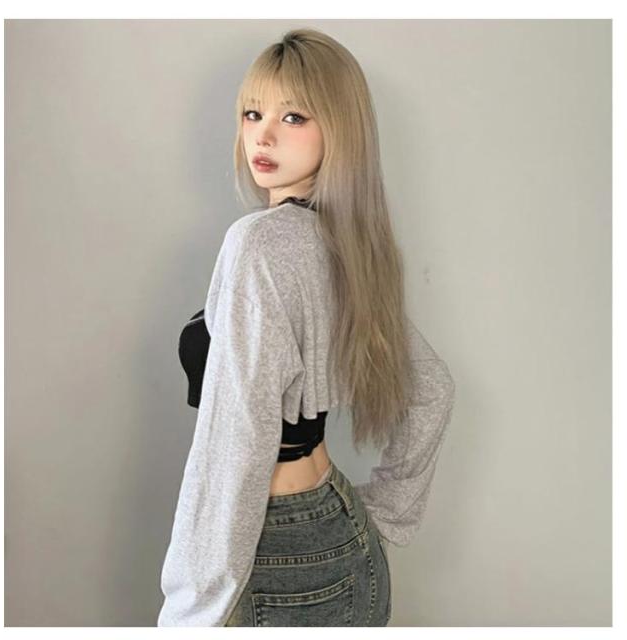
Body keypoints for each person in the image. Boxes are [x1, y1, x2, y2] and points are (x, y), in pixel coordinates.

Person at [157, 27, 456, 627]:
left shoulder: (259, 244)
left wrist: (192, 606)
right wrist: (383, 514)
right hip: (342, 531)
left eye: (293, 117)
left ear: (340, 130)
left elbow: (237, 443)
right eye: (253, 113)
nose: (263, 135)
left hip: (274, 551)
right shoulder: (346, 244)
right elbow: (434, 388)